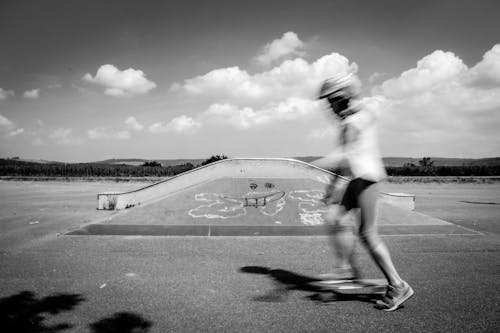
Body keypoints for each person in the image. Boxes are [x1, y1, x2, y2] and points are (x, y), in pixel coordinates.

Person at [311, 72, 414, 311]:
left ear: (342, 98)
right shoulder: (354, 117)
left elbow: (342, 156)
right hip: (356, 179)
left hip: (367, 179)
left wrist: (307, 164)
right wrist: (329, 189)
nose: (329, 108)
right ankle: (347, 270)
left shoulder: (354, 120)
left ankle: (398, 285)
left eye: (331, 101)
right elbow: (343, 162)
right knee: (334, 217)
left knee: (367, 234)